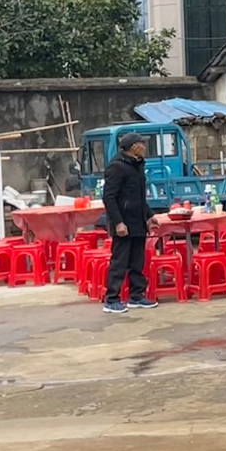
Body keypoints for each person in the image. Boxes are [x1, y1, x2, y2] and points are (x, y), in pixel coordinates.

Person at [101, 133, 155, 315]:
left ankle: (136, 295)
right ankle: (112, 299)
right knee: (119, 262)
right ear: (133, 147)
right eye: (142, 144)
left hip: (138, 221)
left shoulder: (137, 165)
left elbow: (138, 195)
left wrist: (149, 215)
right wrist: (118, 222)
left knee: (137, 261)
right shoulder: (117, 167)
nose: (145, 147)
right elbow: (109, 197)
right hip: (123, 224)